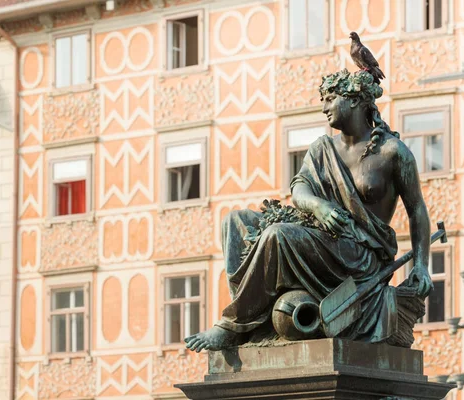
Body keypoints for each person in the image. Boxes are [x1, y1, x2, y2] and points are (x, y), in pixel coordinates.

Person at [185, 69, 433, 352]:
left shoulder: (392, 152)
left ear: (353, 100)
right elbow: (300, 190)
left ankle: (231, 326)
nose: (324, 107)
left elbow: (417, 211)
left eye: (330, 99)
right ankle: (250, 323)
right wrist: (319, 205)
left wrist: (422, 266)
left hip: (358, 255)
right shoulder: (322, 148)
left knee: (278, 236)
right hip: (321, 237)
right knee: (236, 222)